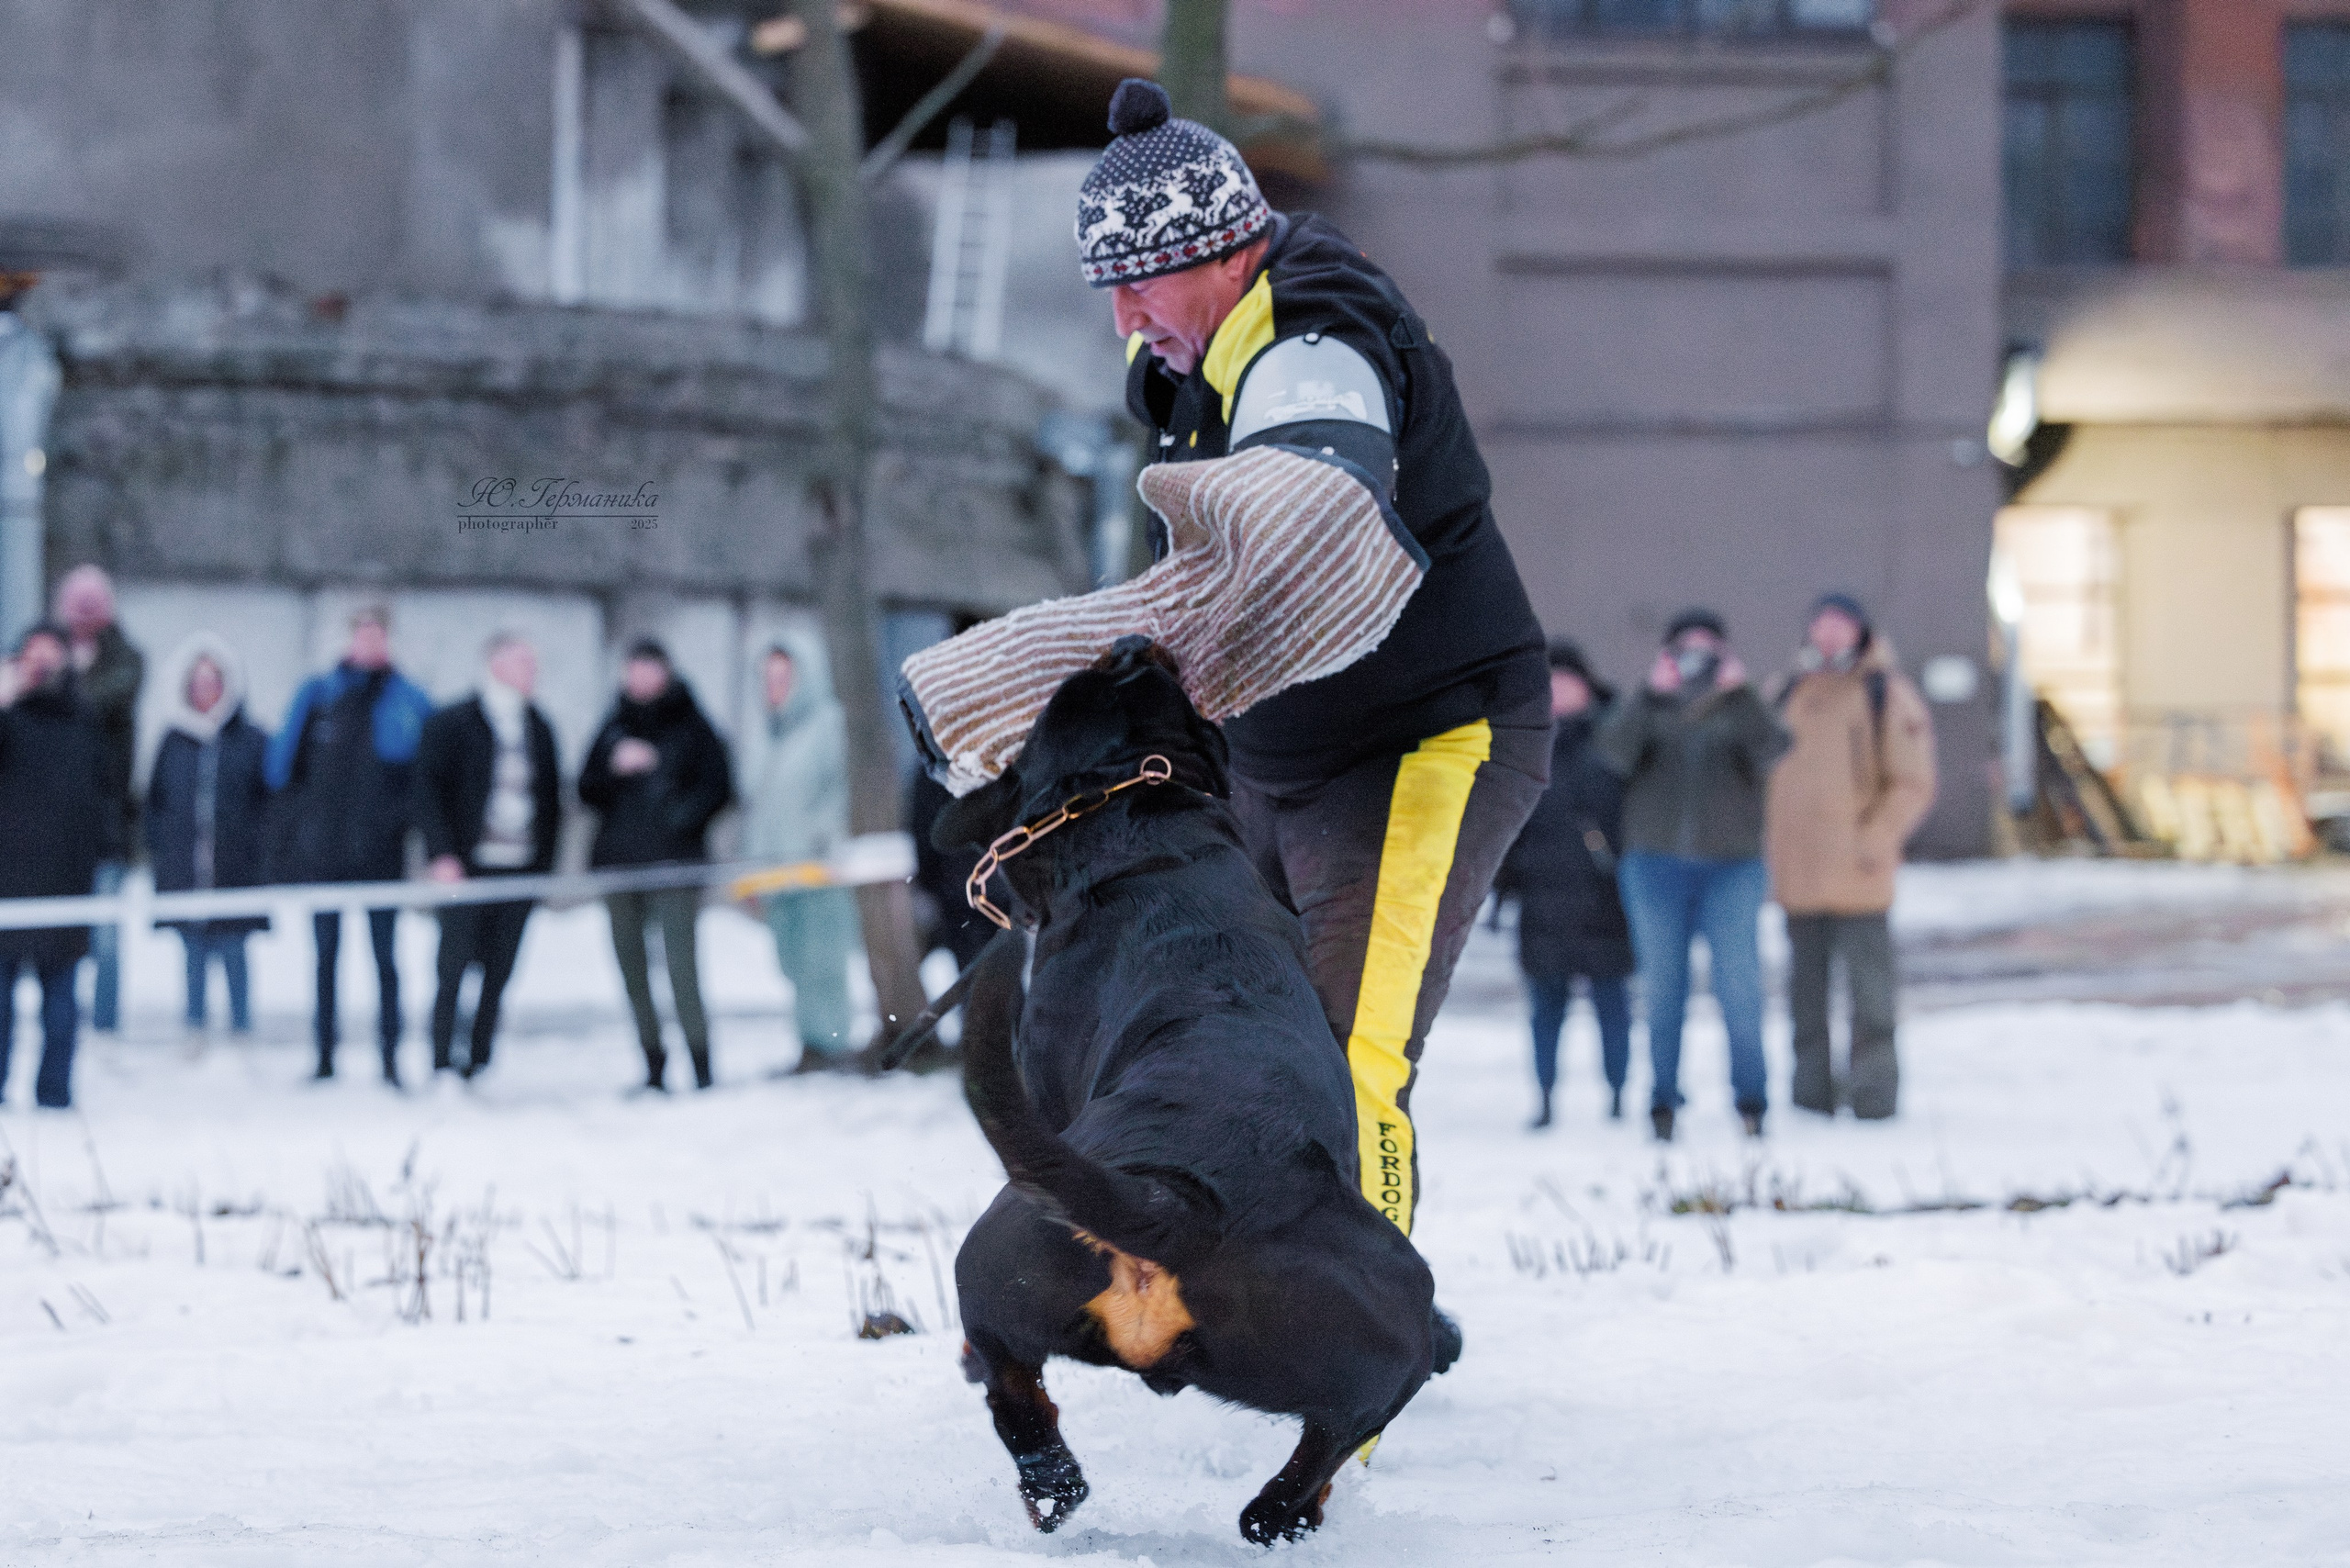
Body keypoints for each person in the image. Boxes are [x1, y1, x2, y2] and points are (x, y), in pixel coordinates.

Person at [1084, 78, 1549, 1284]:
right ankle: (1240, 1294)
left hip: (1427, 744)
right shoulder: (1194, 374)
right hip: (1275, 764)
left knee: (1347, 1062)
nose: (1129, 320)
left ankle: (1360, 1356)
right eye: (1112, 290)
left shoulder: (1321, 335)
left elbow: (1313, 477)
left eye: (1144, 282)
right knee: (1226, 1041)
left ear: (1227, 253)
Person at [1597, 610, 1790, 1143]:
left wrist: (1744, 692)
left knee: (1739, 990)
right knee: (1663, 993)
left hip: (1733, 869)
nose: (1696, 659)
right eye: (1686, 648)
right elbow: (1612, 754)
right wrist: (1647, 694)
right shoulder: (1650, 705)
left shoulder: (1743, 706)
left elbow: (1775, 750)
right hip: (1654, 868)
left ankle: (1752, 1102)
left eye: (1708, 649)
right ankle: (1662, 1103)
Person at [1765, 593, 1938, 1121]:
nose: (1828, 636)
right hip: (1799, 877)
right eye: (1820, 625)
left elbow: (1912, 782)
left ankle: (1874, 1100)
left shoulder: (1886, 693)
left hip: (1860, 875)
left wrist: (1875, 839)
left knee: (1871, 997)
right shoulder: (1785, 692)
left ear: (1860, 631)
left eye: (1839, 625)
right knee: (1805, 997)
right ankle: (1811, 1098)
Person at [267, 606, 434, 1085]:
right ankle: (324, 1057)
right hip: (325, 854)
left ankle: (389, 1059)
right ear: (348, 639)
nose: (368, 645)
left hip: (382, 855)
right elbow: (283, 771)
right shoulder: (317, 697)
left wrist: (403, 827)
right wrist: (296, 838)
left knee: (386, 960)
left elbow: (425, 779)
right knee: (325, 958)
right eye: (361, 635)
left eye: (377, 635)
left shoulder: (409, 701)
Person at [579, 640, 733, 1092]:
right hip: (620, 864)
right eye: (634, 670)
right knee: (631, 969)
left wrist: (673, 807)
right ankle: (652, 1061)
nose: (640, 679)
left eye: (649, 670)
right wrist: (614, 769)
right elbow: (586, 788)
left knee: (682, 968)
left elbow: (719, 787)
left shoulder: (692, 723)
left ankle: (702, 1063)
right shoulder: (613, 724)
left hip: (674, 865)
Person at [1494, 641, 1634, 1129]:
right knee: (1545, 1012)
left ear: (1586, 684)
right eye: (1548, 681)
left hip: (1606, 898)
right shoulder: (1519, 740)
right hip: (1541, 898)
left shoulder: (1617, 737)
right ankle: (1546, 1099)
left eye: (1566, 680)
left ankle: (1618, 1095)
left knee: (1612, 1007)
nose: (1557, 690)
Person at [413, 633, 562, 1081]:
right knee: (453, 966)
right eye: (522, 663)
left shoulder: (538, 725)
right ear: (495, 665)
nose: (531, 673)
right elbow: (428, 790)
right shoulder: (454, 722)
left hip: (519, 869)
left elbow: (553, 801)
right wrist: (441, 853)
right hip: (467, 867)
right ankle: (442, 1060)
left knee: (499, 970)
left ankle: (480, 1058)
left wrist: (544, 867)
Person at [0, 624, 118, 1107]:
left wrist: (105, 859)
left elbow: (104, 797)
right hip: (6, 881)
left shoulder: (86, 723)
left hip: (66, 881)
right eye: (34, 656)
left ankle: (54, 1093)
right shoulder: (7, 722)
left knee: (62, 1002)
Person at [145, 633, 272, 1037]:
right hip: (186, 871)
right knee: (193, 955)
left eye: (213, 681)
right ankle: (194, 1030)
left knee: (234, 953)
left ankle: (241, 1031)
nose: (206, 690)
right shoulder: (173, 741)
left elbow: (267, 804)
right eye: (198, 682)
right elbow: (156, 803)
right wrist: (162, 854)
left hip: (236, 870)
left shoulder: (252, 740)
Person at [742, 638, 860, 1070]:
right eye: (767, 678)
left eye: (783, 677)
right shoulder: (767, 737)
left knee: (823, 961)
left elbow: (838, 793)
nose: (774, 687)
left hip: (816, 870)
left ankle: (834, 1043)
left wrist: (822, 844)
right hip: (777, 874)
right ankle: (809, 1043)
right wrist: (751, 870)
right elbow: (758, 809)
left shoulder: (827, 725)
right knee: (793, 962)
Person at [52, 566, 142, 1035]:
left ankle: (105, 1025)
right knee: (54, 932)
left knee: (106, 936)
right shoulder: (50, 651)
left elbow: (101, 701)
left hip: (107, 821)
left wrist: (60, 683)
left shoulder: (123, 658)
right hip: (53, 825)